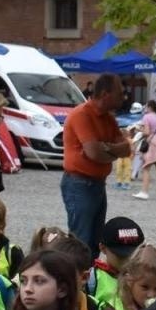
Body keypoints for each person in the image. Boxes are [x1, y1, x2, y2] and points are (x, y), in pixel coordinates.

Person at [60, 73, 133, 255]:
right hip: (79, 184)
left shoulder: (108, 118)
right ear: (105, 94)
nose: (123, 97)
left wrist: (106, 148)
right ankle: (78, 272)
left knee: (94, 241)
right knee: (81, 241)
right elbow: (94, 152)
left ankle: (89, 272)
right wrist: (112, 150)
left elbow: (126, 149)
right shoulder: (82, 115)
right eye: (120, 93)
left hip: (97, 184)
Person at [133, 101, 156, 200]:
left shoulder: (147, 117)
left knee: (146, 168)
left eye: (146, 106)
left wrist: (139, 130)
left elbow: (147, 132)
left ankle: (144, 192)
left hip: (152, 144)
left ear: (149, 107)